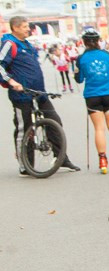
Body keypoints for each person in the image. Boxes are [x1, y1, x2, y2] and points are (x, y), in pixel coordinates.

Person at [1, 16, 80, 173]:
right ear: (15, 28)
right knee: (25, 129)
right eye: (24, 26)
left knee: (54, 121)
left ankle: (61, 158)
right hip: (21, 95)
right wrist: (11, 82)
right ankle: (25, 165)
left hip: (39, 92)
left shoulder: (27, 44)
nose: (28, 29)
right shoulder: (9, 43)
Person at [74, 29, 109, 174]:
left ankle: (102, 160)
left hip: (92, 96)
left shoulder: (81, 58)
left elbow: (79, 79)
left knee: (99, 128)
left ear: (84, 42)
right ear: (99, 40)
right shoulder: (107, 55)